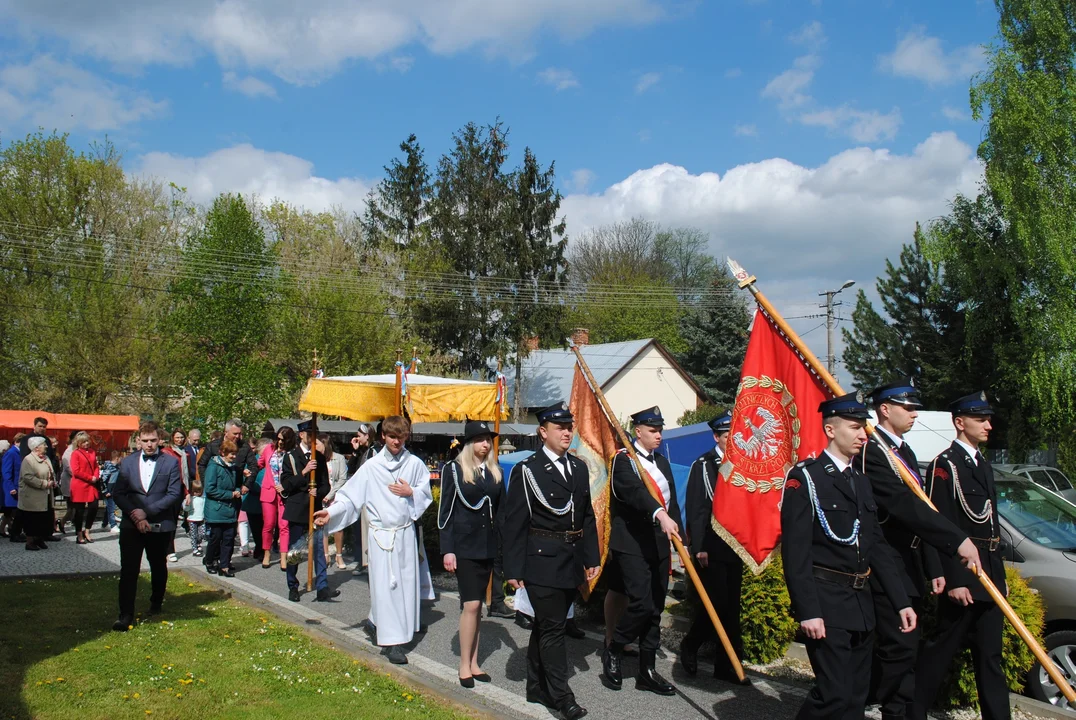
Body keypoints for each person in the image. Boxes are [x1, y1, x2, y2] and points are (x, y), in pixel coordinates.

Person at [782, 393, 916, 720]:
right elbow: (795, 552)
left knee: (856, 699)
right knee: (833, 696)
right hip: (826, 604)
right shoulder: (807, 479)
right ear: (830, 429)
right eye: (855, 428)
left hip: (860, 605)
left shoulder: (861, 482)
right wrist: (808, 611)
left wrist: (901, 601)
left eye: (864, 429)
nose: (862, 435)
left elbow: (877, 547)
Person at [860, 379, 981, 720]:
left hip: (910, 562)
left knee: (905, 648)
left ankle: (894, 711)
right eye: (908, 408)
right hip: (886, 562)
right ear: (885, 409)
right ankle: (855, 698)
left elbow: (922, 505)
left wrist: (935, 566)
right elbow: (903, 507)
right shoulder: (873, 450)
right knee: (899, 647)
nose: (915, 414)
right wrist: (956, 539)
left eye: (915, 408)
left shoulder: (905, 451)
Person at [912, 392, 1010, 720]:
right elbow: (942, 524)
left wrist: (1001, 577)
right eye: (980, 419)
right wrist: (954, 578)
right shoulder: (946, 465)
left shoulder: (981, 463)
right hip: (965, 575)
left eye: (988, 419)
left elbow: (991, 524)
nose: (988, 425)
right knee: (941, 651)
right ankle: (914, 712)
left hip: (989, 574)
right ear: (959, 422)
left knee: (990, 657)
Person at [500, 402, 599, 720]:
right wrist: (513, 568)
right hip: (541, 559)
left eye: (569, 426)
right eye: (560, 427)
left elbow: (586, 515)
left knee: (546, 626)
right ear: (543, 432)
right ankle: (561, 696)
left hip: (570, 560)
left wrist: (591, 555)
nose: (567, 431)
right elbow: (513, 522)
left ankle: (535, 686)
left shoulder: (579, 468)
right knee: (555, 629)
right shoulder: (527, 470)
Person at [315, 415, 432, 664]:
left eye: (401, 437)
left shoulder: (414, 464)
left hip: (404, 534)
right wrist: (330, 512)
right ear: (383, 436)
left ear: (407, 436)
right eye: (392, 437)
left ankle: (380, 623)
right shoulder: (371, 467)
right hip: (382, 536)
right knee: (387, 587)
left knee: (406, 586)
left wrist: (411, 491)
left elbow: (425, 492)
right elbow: (349, 497)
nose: (397, 442)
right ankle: (391, 643)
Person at [602, 406, 684, 696]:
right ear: (638, 431)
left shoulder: (660, 461)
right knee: (640, 602)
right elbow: (633, 493)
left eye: (660, 430)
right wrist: (659, 514)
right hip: (632, 544)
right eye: (653, 430)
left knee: (655, 609)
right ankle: (614, 647)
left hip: (659, 545)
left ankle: (647, 671)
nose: (659, 435)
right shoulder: (624, 461)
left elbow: (671, 500)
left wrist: (681, 539)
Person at [680, 411, 750, 685]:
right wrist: (699, 547)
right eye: (725, 437)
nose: (730, 441)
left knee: (731, 607)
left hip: (735, 545)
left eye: (734, 437)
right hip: (711, 545)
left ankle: (726, 665)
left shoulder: (741, 464)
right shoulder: (704, 465)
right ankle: (691, 644)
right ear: (716, 437)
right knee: (716, 604)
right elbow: (697, 508)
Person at [437, 420, 506, 687]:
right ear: (469, 443)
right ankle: (463, 664)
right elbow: (445, 513)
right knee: (471, 604)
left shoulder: (494, 471)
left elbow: (502, 512)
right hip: (464, 547)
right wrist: (448, 549)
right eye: (479, 439)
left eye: (487, 439)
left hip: (487, 545)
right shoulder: (454, 470)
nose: (485, 444)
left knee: (479, 608)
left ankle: (475, 662)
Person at [112, 421, 182, 631]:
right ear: (138, 441)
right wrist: (135, 514)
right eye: (145, 441)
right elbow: (118, 493)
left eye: (153, 440)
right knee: (128, 570)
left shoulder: (170, 463)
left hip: (159, 523)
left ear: (159, 440)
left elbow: (173, 493)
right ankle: (125, 615)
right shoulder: (127, 463)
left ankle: (156, 602)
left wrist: (147, 512)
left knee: (158, 566)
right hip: (131, 524)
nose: (150, 445)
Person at [281, 420, 335, 603]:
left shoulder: (319, 457)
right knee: (295, 551)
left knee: (319, 549)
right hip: (297, 510)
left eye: (315, 434)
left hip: (314, 510)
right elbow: (286, 485)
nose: (313, 438)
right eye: (310, 434)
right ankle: (293, 586)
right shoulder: (290, 457)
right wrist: (304, 472)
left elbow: (325, 484)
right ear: (302, 435)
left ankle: (322, 587)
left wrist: (317, 493)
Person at [203, 439, 243, 577]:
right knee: (215, 538)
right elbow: (210, 489)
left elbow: (235, 484)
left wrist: (237, 490)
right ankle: (209, 560)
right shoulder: (213, 466)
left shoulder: (232, 467)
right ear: (222, 453)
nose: (233, 457)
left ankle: (224, 565)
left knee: (229, 538)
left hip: (230, 509)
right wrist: (230, 494)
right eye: (231, 454)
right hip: (216, 509)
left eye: (235, 454)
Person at [260, 426, 292, 571]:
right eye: (278, 438)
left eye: (283, 440)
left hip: (284, 494)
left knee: (284, 525)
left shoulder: (291, 453)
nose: (279, 442)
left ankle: (283, 556)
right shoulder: (269, 449)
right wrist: (250, 470)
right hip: (268, 491)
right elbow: (260, 463)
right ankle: (266, 553)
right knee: (269, 524)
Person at [197, 419, 258, 493]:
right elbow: (202, 465)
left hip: (236, 489)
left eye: (239, 433)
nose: (238, 436)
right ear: (226, 432)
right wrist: (206, 484)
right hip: (216, 490)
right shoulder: (213, 446)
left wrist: (247, 484)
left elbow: (253, 465)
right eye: (235, 434)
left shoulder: (244, 446)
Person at [19, 437, 58, 550]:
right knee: (32, 519)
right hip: (32, 495)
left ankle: (39, 539)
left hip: (45, 494)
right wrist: (45, 483)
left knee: (43, 518)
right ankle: (30, 542)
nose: (46, 446)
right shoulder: (28, 460)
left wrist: (53, 482)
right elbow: (27, 477)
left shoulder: (46, 458)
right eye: (44, 444)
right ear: (36, 448)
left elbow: (50, 472)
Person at [162, 428, 194, 562]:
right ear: (172, 438)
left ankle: (168, 548)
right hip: (168, 490)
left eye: (181, 437)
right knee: (167, 520)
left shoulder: (185, 453)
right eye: (177, 437)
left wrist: (187, 492)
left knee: (174, 521)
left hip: (181, 489)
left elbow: (187, 476)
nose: (179, 440)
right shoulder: (167, 452)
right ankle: (169, 550)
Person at [321, 433, 351, 570]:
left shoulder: (339, 458)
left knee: (338, 527)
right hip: (322, 496)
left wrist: (330, 494)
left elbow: (342, 479)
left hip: (336, 495)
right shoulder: (317, 459)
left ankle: (339, 555)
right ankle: (325, 554)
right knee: (323, 526)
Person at [68, 431, 100, 544]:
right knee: (79, 511)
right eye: (83, 442)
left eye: (87, 441)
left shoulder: (92, 452)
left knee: (94, 506)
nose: (86, 443)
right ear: (79, 443)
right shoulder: (75, 453)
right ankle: (79, 533)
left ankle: (87, 530)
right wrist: (89, 477)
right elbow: (76, 471)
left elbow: (96, 466)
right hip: (80, 484)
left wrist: (96, 476)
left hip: (91, 484)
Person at [1, 433, 24, 540]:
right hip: (12, 487)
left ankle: (5, 529)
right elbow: (6, 472)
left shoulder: (18, 452)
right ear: (17, 442)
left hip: (17, 486)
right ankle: (14, 531)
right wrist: (11, 487)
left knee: (10, 511)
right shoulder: (11, 453)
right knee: (13, 511)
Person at [99, 450, 121, 533]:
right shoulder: (110, 468)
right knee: (111, 509)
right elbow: (103, 480)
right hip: (108, 491)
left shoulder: (117, 467)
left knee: (109, 507)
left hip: (113, 490)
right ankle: (113, 525)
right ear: (117, 458)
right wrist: (105, 491)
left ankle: (104, 524)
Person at [185, 476, 206, 557]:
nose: (197, 493)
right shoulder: (190, 498)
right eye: (195, 491)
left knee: (202, 533)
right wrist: (187, 504)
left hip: (201, 519)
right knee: (194, 535)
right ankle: (194, 549)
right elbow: (186, 509)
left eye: (199, 491)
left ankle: (198, 543)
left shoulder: (203, 498)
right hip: (192, 519)